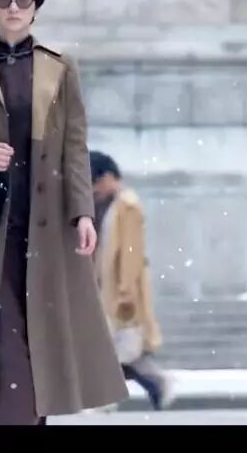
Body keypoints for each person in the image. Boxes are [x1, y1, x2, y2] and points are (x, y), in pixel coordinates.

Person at [0, 0, 128, 425]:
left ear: (36, 5)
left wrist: (83, 213)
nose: (13, 7)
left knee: (38, 339)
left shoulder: (60, 68)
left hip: (44, 227)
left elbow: (75, 148)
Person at [90, 150, 176, 410]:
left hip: (121, 290)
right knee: (119, 350)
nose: (94, 190)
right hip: (108, 288)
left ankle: (111, 396)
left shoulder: (127, 206)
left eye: (95, 182)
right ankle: (156, 384)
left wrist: (126, 292)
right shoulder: (111, 206)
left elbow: (130, 253)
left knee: (118, 350)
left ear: (108, 177)